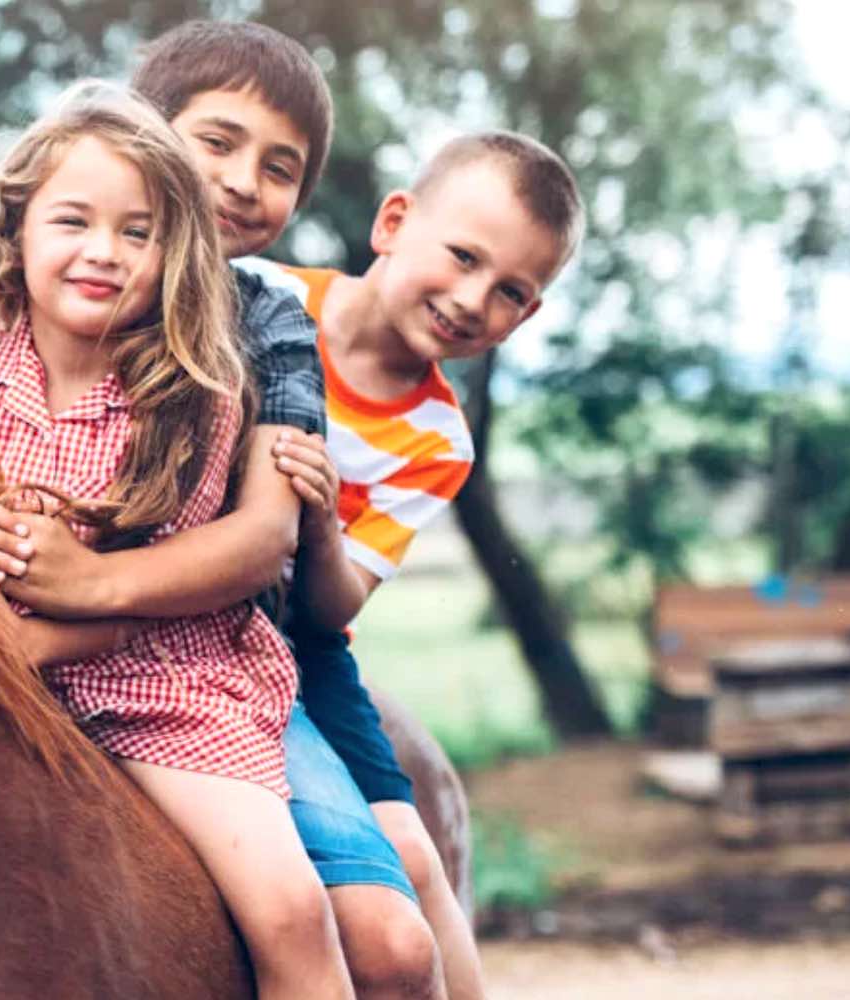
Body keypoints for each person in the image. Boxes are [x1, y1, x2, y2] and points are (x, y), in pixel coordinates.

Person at [0, 21, 450, 999]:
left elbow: (265, 540)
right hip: (25, 626)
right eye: (215, 143)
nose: (244, 181)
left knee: (389, 942)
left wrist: (78, 593)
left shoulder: (255, 328)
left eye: (279, 166)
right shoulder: (12, 311)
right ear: (142, 137)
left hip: (212, 662)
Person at [0, 81, 355, 1000]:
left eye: (138, 233)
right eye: (73, 222)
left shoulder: (195, 390)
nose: (104, 253)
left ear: (173, 255)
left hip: (162, 686)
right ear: (15, 233)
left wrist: (9, 643)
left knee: (291, 912)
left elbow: (147, 596)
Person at [251, 129, 585, 1000]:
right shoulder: (261, 296)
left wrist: (318, 522)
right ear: (394, 221)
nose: (474, 299)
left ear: (530, 314)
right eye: (464, 257)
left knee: (412, 854)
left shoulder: (436, 438)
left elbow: (331, 609)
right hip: (190, 601)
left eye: (511, 291)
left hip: (298, 649)